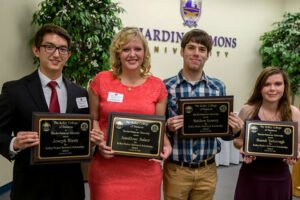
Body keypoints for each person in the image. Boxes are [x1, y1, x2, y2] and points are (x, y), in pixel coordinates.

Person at [0, 24, 101, 200]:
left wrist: (91, 142)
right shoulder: (14, 90)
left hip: (70, 187)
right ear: (36, 50)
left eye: (62, 49)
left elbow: (80, 135)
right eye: (49, 47)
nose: (56, 54)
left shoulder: (80, 93)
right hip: (30, 187)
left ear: (68, 55)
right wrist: (14, 143)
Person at [88, 27, 172, 200]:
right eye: (126, 49)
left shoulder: (157, 86)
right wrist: (100, 142)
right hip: (107, 170)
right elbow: (93, 119)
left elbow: (159, 126)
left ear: (145, 53)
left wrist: (167, 145)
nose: (132, 54)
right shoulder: (101, 81)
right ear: (118, 53)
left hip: (146, 173)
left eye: (137, 49)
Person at [163, 29, 243, 200]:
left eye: (202, 49)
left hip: (208, 170)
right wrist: (168, 126)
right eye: (191, 48)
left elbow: (225, 133)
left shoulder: (218, 87)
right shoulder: (165, 86)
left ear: (208, 55)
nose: (196, 53)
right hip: (177, 170)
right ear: (182, 51)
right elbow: (160, 131)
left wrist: (234, 129)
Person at [233, 67, 300, 200]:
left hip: (280, 178)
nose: (272, 89)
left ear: (285, 87)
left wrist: (296, 152)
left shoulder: (294, 113)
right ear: (260, 87)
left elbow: (298, 143)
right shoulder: (247, 110)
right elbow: (237, 141)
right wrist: (244, 148)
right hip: (251, 176)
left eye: (278, 84)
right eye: (267, 84)